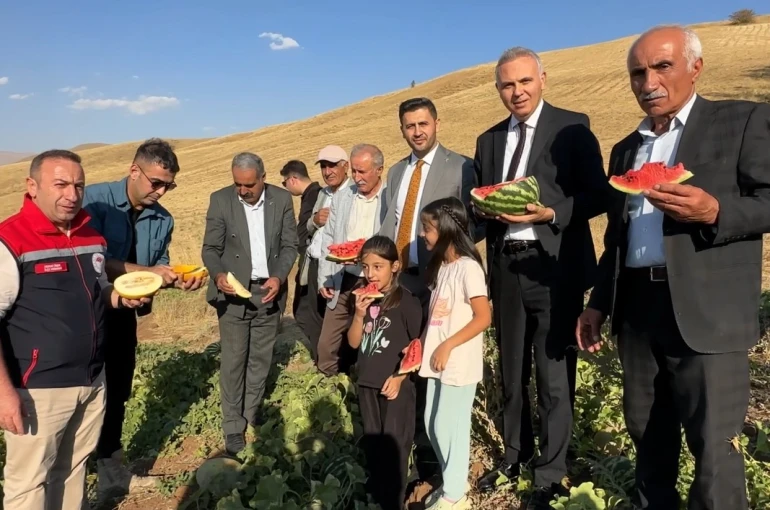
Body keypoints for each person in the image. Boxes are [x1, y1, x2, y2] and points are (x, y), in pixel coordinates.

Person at [577, 25, 770, 510]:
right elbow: (616, 239)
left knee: (714, 450)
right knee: (647, 439)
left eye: (662, 66)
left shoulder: (743, 121)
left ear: (695, 67)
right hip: (638, 313)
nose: (648, 81)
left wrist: (717, 211)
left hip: (707, 313)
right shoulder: (626, 149)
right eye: (637, 72)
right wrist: (599, 303)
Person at [472, 46, 608, 507]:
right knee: (512, 372)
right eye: (507, 85)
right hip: (507, 268)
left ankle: (551, 471)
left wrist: (555, 212)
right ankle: (514, 455)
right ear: (498, 89)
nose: (517, 92)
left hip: (554, 270)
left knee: (553, 376)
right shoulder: (488, 140)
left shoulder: (573, 127)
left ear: (543, 79)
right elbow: (482, 209)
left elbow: (599, 195)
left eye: (525, 82)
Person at [0, 150, 150, 510]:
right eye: (61, 184)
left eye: (79, 185)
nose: (72, 194)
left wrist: (120, 298)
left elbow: (98, 292)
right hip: (37, 387)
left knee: (73, 472)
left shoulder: (91, 238)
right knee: (30, 483)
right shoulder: (10, 240)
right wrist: (4, 393)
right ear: (32, 187)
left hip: (91, 380)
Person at [82, 137, 205, 499]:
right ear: (134, 171)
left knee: (117, 392)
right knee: (80, 397)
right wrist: (146, 270)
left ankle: (112, 474)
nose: (162, 192)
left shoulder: (163, 219)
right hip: (85, 315)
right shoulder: (94, 200)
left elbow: (157, 270)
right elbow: (93, 258)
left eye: (169, 185)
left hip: (124, 319)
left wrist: (177, 279)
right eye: (156, 183)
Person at [379, 96, 478, 486]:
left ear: (437, 123)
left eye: (423, 124)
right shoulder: (395, 173)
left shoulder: (461, 166)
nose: (417, 132)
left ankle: (437, 460)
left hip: (440, 282)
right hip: (401, 280)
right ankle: (407, 449)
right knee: (403, 361)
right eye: (409, 126)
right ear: (401, 129)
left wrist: (449, 264)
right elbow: (391, 223)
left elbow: (472, 225)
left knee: (436, 368)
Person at [201, 152, 298, 455]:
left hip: (268, 292)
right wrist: (218, 276)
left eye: (249, 185)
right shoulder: (221, 200)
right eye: (238, 185)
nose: (242, 191)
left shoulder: (281, 200)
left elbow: (289, 245)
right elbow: (210, 249)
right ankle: (232, 426)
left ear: (263, 178)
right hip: (232, 294)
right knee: (233, 361)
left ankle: (250, 413)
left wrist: (279, 277)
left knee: (260, 359)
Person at [416, 197, 491, 510]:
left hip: (457, 361)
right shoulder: (442, 267)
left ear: (446, 229)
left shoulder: (468, 268)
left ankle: (456, 495)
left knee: (450, 425)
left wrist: (447, 345)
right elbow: (436, 316)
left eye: (428, 228)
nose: (423, 235)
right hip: (435, 358)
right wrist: (421, 343)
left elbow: (483, 317)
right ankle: (451, 482)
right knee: (432, 423)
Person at [347, 235, 422, 510]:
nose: (370, 274)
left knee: (396, 447)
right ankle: (378, 498)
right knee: (375, 444)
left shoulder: (408, 304)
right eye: (365, 267)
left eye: (378, 267)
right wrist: (357, 315)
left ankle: (395, 502)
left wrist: (401, 377)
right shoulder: (362, 300)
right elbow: (354, 342)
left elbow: (418, 347)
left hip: (395, 387)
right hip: (366, 382)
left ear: (395, 266)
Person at [317, 144, 386, 376]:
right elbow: (329, 237)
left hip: (374, 281)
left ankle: (360, 386)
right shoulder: (343, 196)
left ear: (379, 170)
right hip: (342, 278)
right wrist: (324, 277)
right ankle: (328, 386)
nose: (356, 177)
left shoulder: (389, 197)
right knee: (326, 345)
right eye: (354, 171)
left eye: (363, 172)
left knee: (370, 339)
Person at [299, 146, 352, 361]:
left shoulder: (353, 192)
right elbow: (309, 227)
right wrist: (314, 220)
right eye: (323, 166)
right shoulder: (322, 193)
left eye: (332, 165)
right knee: (313, 314)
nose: (327, 171)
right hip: (314, 263)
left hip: (336, 265)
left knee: (337, 318)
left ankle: (340, 364)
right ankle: (321, 359)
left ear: (345, 166)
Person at [280, 159, 322, 354]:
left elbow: (304, 232)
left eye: (284, 182)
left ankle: (321, 354)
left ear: (293, 179)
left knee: (304, 311)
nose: (285, 187)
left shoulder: (313, 195)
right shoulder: (313, 193)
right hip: (310, 260)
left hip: (312, 261)